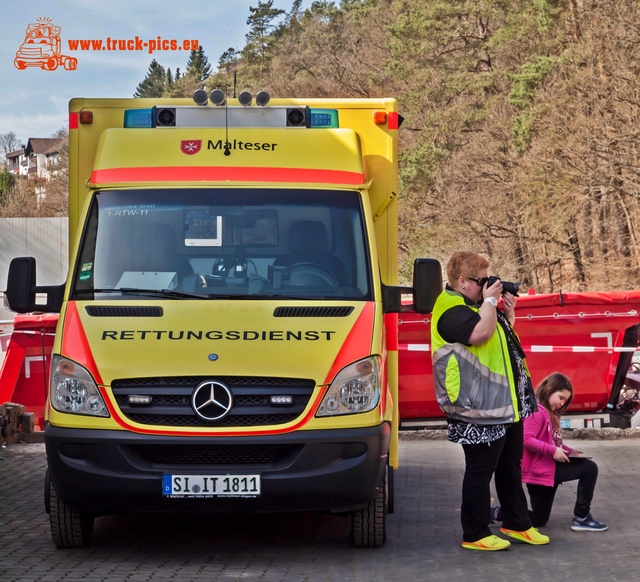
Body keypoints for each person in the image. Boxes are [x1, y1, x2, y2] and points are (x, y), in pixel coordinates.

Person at [431, 251, 547, 551]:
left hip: (504, 403)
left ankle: (517, 523)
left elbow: (499, 341)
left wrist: (507, 314)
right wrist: (490, 303)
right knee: (480, 470)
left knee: (510, 465)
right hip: (476, 406)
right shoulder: (450, 308)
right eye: (481, 280)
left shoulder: (476, 304)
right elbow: (480, 335)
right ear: (461, 281)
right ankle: (475, 533)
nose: (486, 285)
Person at [522, 372, 607, 532]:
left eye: (565, 400)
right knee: (590, 468)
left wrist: (568, 450)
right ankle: (582, 517)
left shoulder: (551, 414)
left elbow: (552, 441)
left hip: (548, 469)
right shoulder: (537, 412)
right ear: (549, 390)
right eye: (561, 398)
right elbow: (526, 439)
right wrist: (553, 450)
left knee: (539, 520)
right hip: (541, 470)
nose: (562, 404)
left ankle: (501, 512)